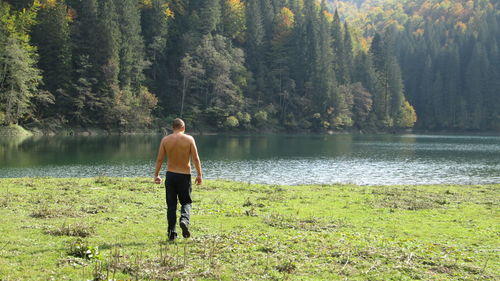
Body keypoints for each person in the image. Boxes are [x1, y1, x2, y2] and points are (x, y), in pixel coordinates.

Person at [154, 118, 202, 241]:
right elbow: (195, 159)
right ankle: (184, 220)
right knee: (186, 202)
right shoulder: (189, 139)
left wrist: (156, 175)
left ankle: (172, 233)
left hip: (170, 175)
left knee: (171, 205)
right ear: (183, 127)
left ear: (172, 127)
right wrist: (199, 175)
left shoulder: (165, 140)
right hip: (184, 175)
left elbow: (159, 159)